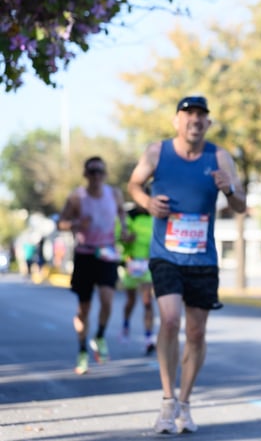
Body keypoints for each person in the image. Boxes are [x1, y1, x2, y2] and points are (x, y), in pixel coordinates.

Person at [127, 95, 246, 434]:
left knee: (196, 332)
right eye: (188, 114)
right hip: (166, 254)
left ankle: (185, 403)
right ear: (176, 120)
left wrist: (230, 188)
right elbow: (134, 184)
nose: (194, 120)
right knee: (169, 319)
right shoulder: (157, 152)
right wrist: (148, 201)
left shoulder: (219, 157)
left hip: (202, 257)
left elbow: (240, 205)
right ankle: (167, 400)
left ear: (207, 123)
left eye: (200, 115)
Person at [58, 156, 130, 375]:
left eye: (100, 171)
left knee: (108, 300)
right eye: (92, 171)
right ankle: (82, 351)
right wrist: (77, 223)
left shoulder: (115, 194)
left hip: (107, 252)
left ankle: (99, 336)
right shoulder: (76, 197)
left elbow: (121, 213)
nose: (96, 175)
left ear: (105, 174)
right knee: (83, 310)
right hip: (85, 254)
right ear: (86, 175)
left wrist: (124, 229)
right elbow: (61, 222)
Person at [119, 202, 156, 355]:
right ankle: (126, 324)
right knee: (131, 301)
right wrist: (126, 238)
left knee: (147, 301)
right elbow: (121, 237)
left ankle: (149, 338)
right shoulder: (130, 217)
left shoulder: (155, 216)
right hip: (132, 262)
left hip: (148, 263)